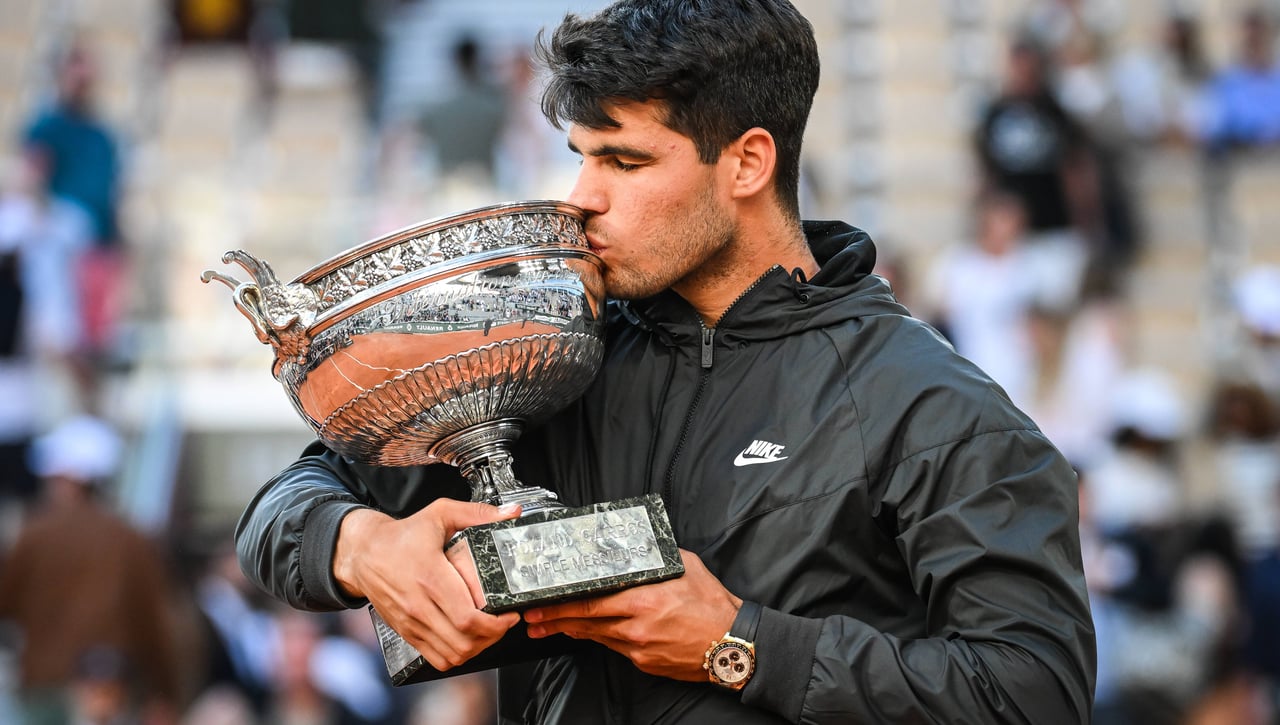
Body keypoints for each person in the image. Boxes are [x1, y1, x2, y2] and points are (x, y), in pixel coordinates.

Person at [235, 1, 1096, 722]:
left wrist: (742, 646)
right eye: (581, 157)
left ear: (748, 163)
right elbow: (285, 507)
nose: (582, 197)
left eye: (625, 159)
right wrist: (362, 544)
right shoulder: (551, 354)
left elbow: (1035, 691)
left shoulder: (928, 402)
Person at [0, 415, 180, 725]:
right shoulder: (130, 538)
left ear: (71, 479)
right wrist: (164, 692)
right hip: (108, 690)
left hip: (42, 688)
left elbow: (6, 605)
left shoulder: (32, 534)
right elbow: (152, 624)